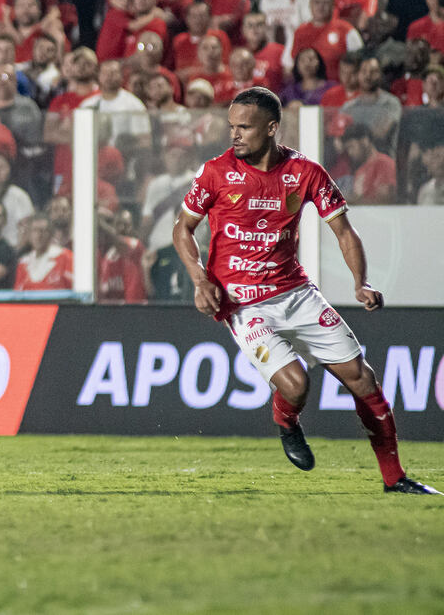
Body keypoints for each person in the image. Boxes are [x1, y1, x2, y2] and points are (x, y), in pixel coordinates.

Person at [173, 87, 435, 494]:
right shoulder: (215, 172)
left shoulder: (305, 172)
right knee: (296, 385)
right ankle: (286, 420)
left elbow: (344, 232)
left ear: (272, 128)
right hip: (242, 303)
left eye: (244, 127)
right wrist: (199, 278)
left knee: (363, 379)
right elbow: (182, 229)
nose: (235, 135)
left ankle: (395, 479)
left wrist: (360, 281)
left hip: (295, 292)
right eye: (232, 127)